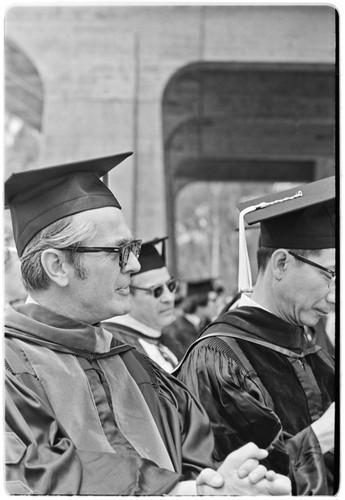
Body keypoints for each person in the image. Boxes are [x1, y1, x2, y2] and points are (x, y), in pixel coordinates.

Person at [4, 152, 291, 496]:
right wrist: (172, 491)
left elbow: (193, 455)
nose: (135, 265)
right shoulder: (11, 368)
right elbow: (31, 472)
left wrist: (215, 482)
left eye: (134, 247)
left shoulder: (135, 363)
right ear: (57, 266)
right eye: (119, 250)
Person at [175, 176, 337, 495]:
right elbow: (231, 480)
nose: (336, 296)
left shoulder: (312, 351)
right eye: (331, 275)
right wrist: (325, 434)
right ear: (280, 263)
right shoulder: (218, 359)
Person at [103, 237, 179, 372]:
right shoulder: (119, 349)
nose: (169, 298)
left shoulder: (162, 340)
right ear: (126, 291)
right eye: (157, 290)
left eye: (171, 285)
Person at [161, 278, 218, 361]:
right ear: (200, 302)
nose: (218, 303)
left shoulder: (209, 326)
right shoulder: (175, 330)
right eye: (213, 300)